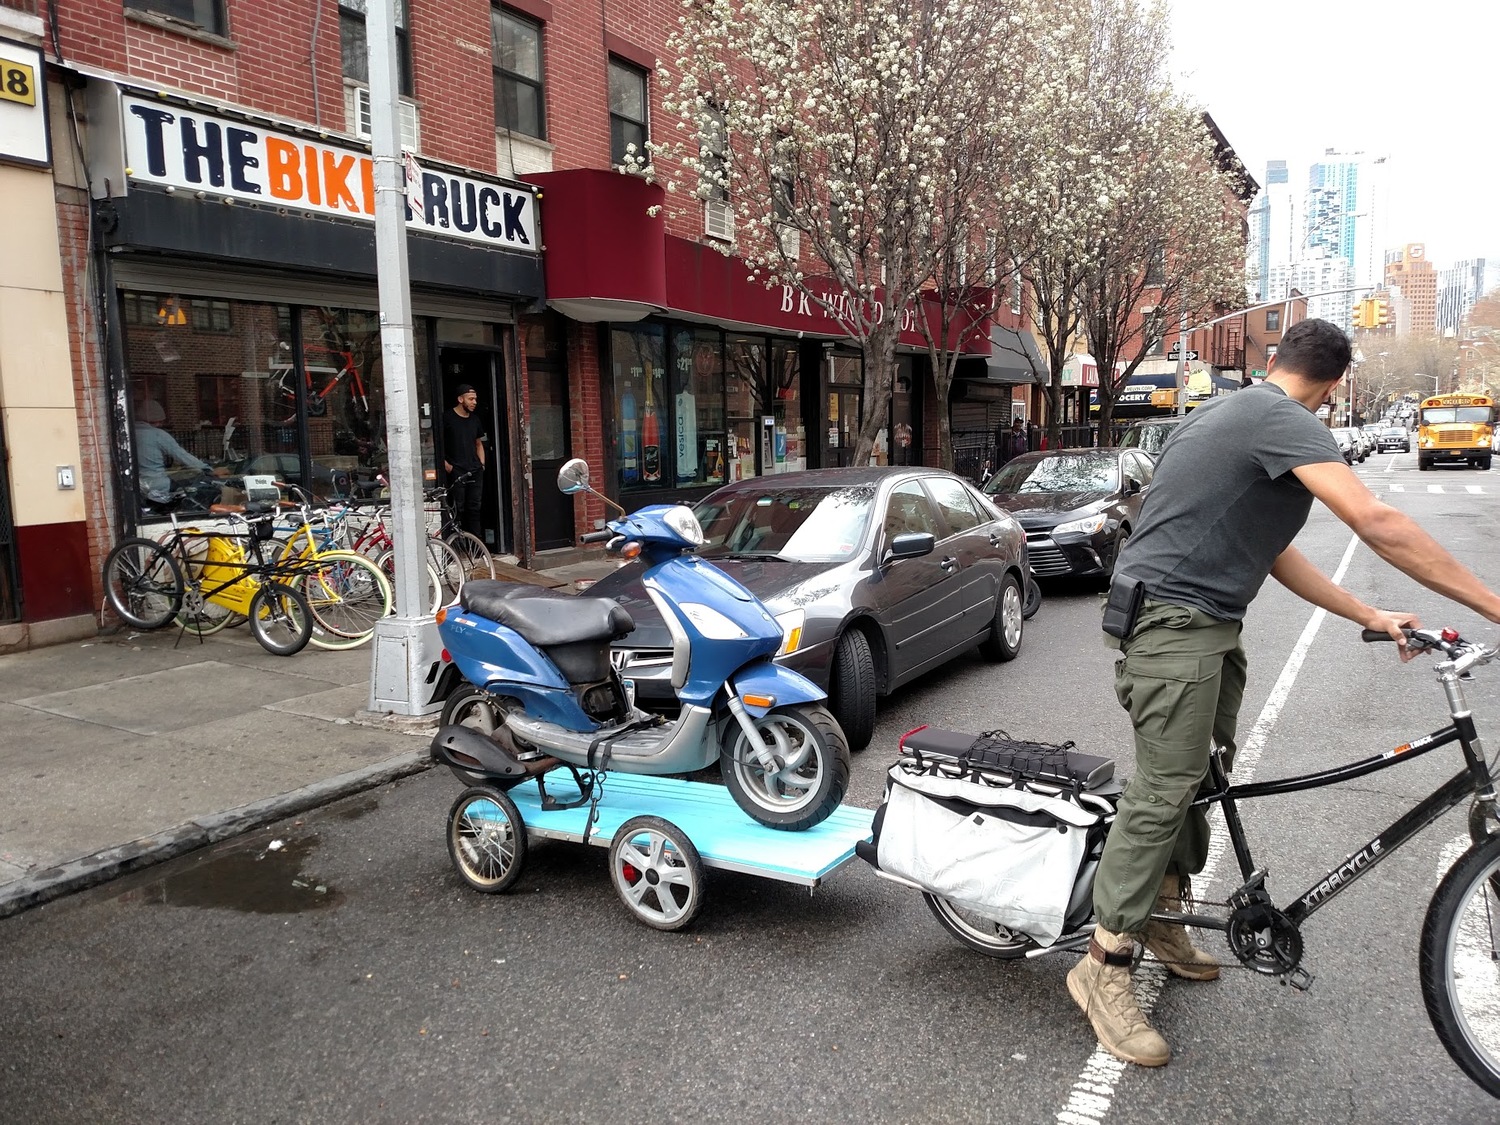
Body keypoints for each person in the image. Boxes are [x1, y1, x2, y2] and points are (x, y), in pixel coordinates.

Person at [1067, 319, 1500, 1068]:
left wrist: (1368, 612)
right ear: (1331, 389)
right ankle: (1102, 964)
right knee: (1165, 789)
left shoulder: (1230, 412)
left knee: (1198, 780)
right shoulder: (1280, 419)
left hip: (1200, 627)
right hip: (1174, 628)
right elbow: (1377, 520)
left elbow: (1274, 553)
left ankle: (1163, 917)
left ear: (1276, 360)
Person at [134, 400, 212, 502]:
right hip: (159, 483)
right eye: (161, 422)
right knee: (195, 491)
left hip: (137, 485)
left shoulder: (129, 433)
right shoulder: (157, 434)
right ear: (156, 420)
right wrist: (206, 468)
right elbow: (180, 455)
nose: (161, 425)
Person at [441, 384, 486, 540]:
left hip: (474, 469)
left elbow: (478, 443)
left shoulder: (475, 420)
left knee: (475, 508)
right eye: (471, 399)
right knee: (457, 507)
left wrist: (482, 464)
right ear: (460, 399)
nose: (474, 402)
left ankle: (477, 546)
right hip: (456, 469)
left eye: (475, 399)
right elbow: (434, 444)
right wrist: (446, 465)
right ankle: (455, 545)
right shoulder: (446, 418)